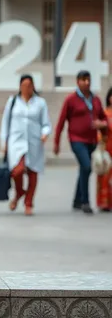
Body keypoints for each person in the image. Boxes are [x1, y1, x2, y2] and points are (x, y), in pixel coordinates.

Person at [54, 70, 107, 214]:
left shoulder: (95, 99)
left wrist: (102, 125)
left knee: (84, 169)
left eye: (88, 80)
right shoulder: (71, 100)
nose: (86, 83)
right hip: (77, 139)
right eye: (83, 80)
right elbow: (61, 121)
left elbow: (104, 117)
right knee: (86, 166)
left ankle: (76, 200)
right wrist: (56, 142)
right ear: (78, 82)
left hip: (92, 140)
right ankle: (85, 201)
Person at [0, 74, 51, 216]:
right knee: (17, 170)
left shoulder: (40, 103)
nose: (26, 88)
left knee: (33, 173)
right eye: (24, 85)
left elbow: (46, 123)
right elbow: (5, 123)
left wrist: (45, 133)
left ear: (33, 86)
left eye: (29, 85)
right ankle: (20, 192)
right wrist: (4, 142)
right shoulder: (13, 101)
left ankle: (29, 203)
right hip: (16, 142)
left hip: (34, 142)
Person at [96, 87, 112, 212]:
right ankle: (103, 201)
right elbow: (99, 129)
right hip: (107, 146)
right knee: (104, 175)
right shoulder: (104, 113)